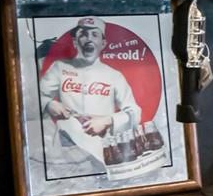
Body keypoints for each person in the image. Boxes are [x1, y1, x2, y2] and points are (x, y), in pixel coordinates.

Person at [39, 17, 156, 175]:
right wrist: (49, 104)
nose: (89, 39)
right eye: (83, 34)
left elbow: (135, 112)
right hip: (67, 146)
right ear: (75, 41)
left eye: (95, 34)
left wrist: (108, 121)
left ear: (103, 43)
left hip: (102, 149)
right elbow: (35, 97)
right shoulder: (60, 67)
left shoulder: (114, 76)